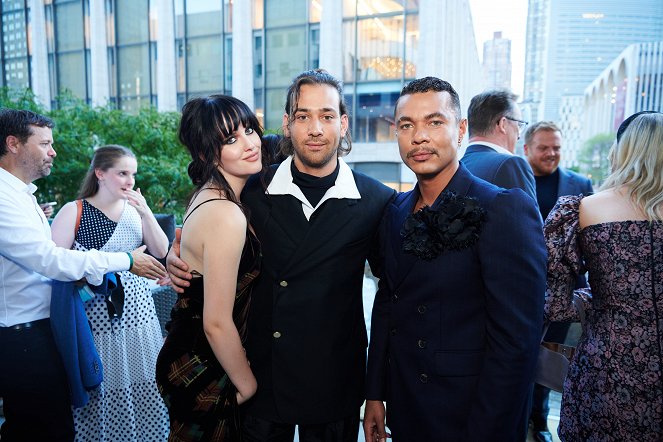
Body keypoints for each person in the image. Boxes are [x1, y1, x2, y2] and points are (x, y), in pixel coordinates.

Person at [168, 69, 395, 441]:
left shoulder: (377, 200)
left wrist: (377, 392)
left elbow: (392, 296)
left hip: (334, 378)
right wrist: (174, 256)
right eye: (303, 116)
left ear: (344, 122)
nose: (315, 128)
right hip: (260, 374)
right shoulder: (250, 188)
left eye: (326, 115)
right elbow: (205, 225)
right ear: (287, 124)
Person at [363, 77, 546, 441]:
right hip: (407, 407)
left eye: (434, 122)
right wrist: (375, 394)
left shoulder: (503, 208)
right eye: (406, 125)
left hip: (469, 414)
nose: (419, 137)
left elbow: (516, 344)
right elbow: (388, 303)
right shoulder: (395, 210)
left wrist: (487, 430)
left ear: (460, 129)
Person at [0, 109, 166, 442]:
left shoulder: (21, 195)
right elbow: (51, 259)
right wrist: (124, 260)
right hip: (22, 335)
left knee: (49, 425)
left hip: (43, 328)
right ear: (13, 144)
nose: (53, 152)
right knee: (44, 429)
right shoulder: (5, 198)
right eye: (45, 143)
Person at [544, 111, 663, 441]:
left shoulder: (586, 209)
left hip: (608, 369)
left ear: (624, 150)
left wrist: (592, 299)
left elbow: (553, 305)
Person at [155, 95, 266, 440]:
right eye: (231, 139)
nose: (249, 144)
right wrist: (247, 384)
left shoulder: (209, 195)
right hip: (202, 363)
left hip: (192, 354)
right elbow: (216, 322)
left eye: (249, 129)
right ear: (205, 154)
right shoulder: (225, 212)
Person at [50, 145, 170, 441]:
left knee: (144, 380)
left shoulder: (134, 211)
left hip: (140, 312)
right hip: (95, 314)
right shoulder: (74, 210)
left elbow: (161, 250)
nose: (129, 180)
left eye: (133, 174)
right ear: (100, 173)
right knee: (103, 382)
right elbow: (55, 263)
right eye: (122, 173)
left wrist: (145, 211)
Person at [523, 121, 593, 442]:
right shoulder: (515, 181)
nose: (552, 153)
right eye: (544, 147)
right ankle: (520, 418)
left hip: (565, 295)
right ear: (527, 149)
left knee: (550, 361)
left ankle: (539, 422)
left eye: (557, 148)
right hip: (522, 291)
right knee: (520, 357)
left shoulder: (581, 184)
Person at [461, 89, 537, 201]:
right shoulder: (511, 164)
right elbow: (529, 218)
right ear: (503, 124)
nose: (519, 136)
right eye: (519, 125)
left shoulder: (457, 167)